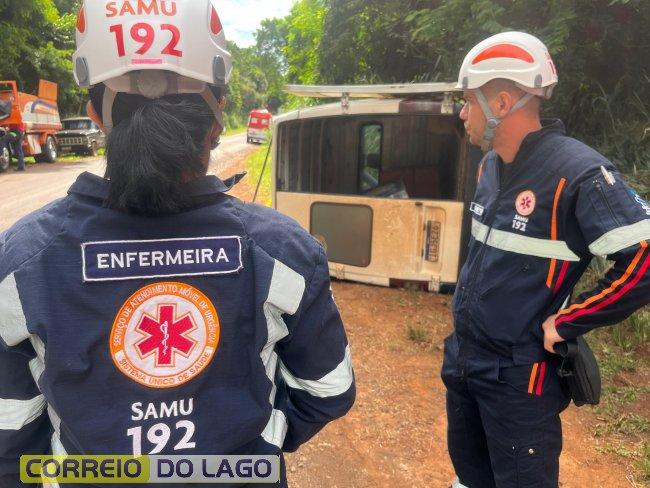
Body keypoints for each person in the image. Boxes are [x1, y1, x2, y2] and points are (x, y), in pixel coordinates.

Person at [0, 1, 355, 486]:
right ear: (216, 118)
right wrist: (252, 447)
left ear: (95, 115)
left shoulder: (21, 262)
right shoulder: (284, 254)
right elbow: (328, 390)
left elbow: (11, 424)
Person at [442, 31, 650, 488]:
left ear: (499, 103)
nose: (462, 113)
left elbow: (643, 262)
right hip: (465, 362)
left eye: (466, 101)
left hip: (520, 382)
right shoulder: (490, 166)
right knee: (470, 477)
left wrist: (569, 321)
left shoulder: (578, 173)